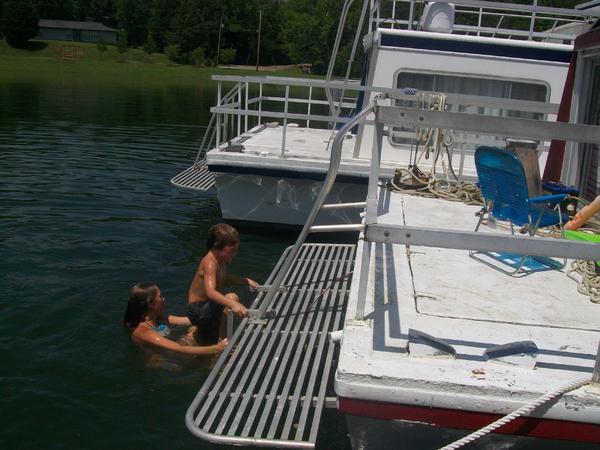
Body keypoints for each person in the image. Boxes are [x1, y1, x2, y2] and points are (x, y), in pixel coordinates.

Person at [188, 223, 258, 345]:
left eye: (236, 250)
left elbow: (225, 279)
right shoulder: (209, 262)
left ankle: (198, 333)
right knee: (231, 297)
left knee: (205, 336)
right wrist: (233, 304)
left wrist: (245, 281)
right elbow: (210, 292)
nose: (235, 253)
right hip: (197, 310)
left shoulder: (220, 260)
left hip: (208, 307)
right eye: (232, 250)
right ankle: (223, 342)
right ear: (217, 247)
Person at [123, 282, 227, 355]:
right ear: (151, 304)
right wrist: (216, 348)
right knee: (195, 333)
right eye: (160, 297)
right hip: (168, 365)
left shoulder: (160, 319)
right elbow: (179, 349)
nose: (164, 299)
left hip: (176, 353)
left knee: (195, 328)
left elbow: (191, 320)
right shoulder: (143, 332)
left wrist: (218, 308)